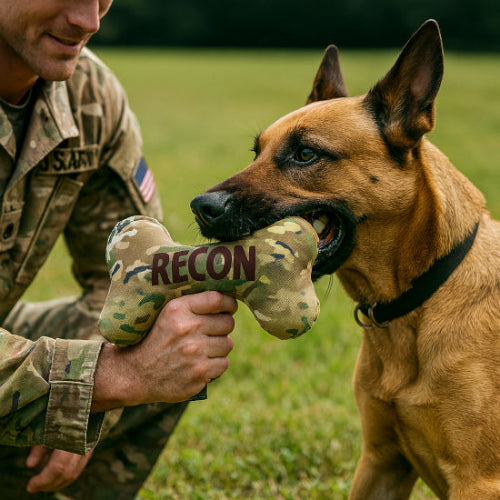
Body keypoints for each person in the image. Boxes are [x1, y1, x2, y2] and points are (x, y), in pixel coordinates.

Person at [0, 1, 238, 498]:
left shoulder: (90, 95)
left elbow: (130, 278)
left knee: (166, 326)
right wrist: (101, 381)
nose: (89, 21)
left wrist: (88, 405)